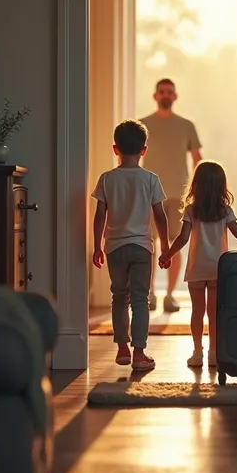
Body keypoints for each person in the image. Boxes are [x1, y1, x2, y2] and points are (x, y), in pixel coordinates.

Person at [159, 160, 237, 368]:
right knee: (214, 314)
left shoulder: (192, 211)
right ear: (221, 185)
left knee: (197, 312)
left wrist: (167, 254)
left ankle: (197, 353)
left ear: (196, 185)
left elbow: (183, 238)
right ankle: (213, 354)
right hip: (219, 269)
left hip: (196, 268)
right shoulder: (225, 211)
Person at [91, 119, 169, 371]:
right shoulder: (150, 179)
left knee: (119, 297)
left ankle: (122, 349)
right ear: (144, 149)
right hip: (142, 247)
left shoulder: (107, 179)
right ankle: (139, 353)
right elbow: (160, 216)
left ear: (116, 149)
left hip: (114, 247)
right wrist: (165, 247)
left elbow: (99, 215)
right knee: (140, 300)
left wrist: (97, 246)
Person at [141, 78, 202, 314]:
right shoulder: (143, 124)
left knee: (176, 244)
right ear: (155, 96)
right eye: (162, 91)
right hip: (149, 194)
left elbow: (198, 159)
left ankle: (169, 296)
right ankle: (149, 294)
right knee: (149, 245)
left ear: (175, 96)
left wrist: (200, 189)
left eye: (170, 92)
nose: (166, 95)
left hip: (178, 194)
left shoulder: (186, 125)